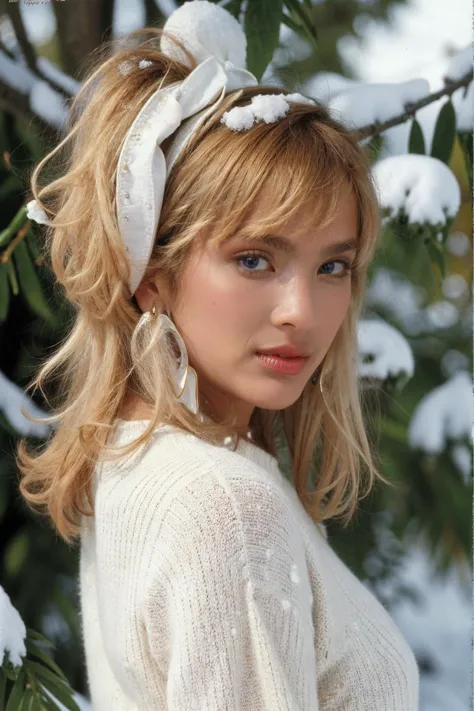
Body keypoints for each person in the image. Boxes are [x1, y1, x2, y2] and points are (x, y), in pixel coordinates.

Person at [16, 1, 420, 708]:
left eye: (333, 266)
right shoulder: (225, 509)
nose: (303, 311)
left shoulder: (146, 455)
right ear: (151, 273)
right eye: (256, 258)